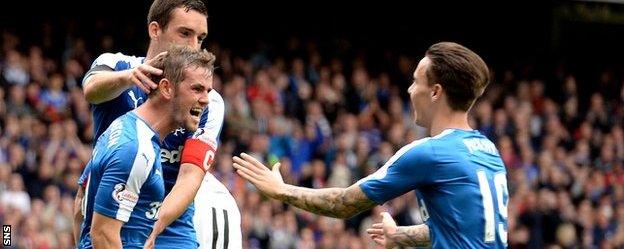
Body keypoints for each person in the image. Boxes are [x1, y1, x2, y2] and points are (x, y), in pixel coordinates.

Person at [233, 42, 509, 248]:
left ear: (436, 91)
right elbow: (458, 229)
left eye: (415, 82)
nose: (410, 90)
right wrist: (397, 235)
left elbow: (344, 203)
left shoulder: (431, 152)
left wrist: (283, 191)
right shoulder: (488, 151)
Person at [72, 1, 242, 248]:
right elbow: (91, 91)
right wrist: (129, 78)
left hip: (170, 223)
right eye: (185, 33)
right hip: (109, 212)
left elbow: (190, 178)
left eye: (201, 38)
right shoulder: (117, 67)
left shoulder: (209, 101)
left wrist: (153, 229)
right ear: (155, 30)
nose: (194, 46)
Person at [77, 46, 216, 249]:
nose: (205, 100)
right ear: (167, 88)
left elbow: (79, 203)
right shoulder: (135, 149)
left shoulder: (124, 128)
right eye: (196, 89)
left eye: (208, 91)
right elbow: (104, 235)